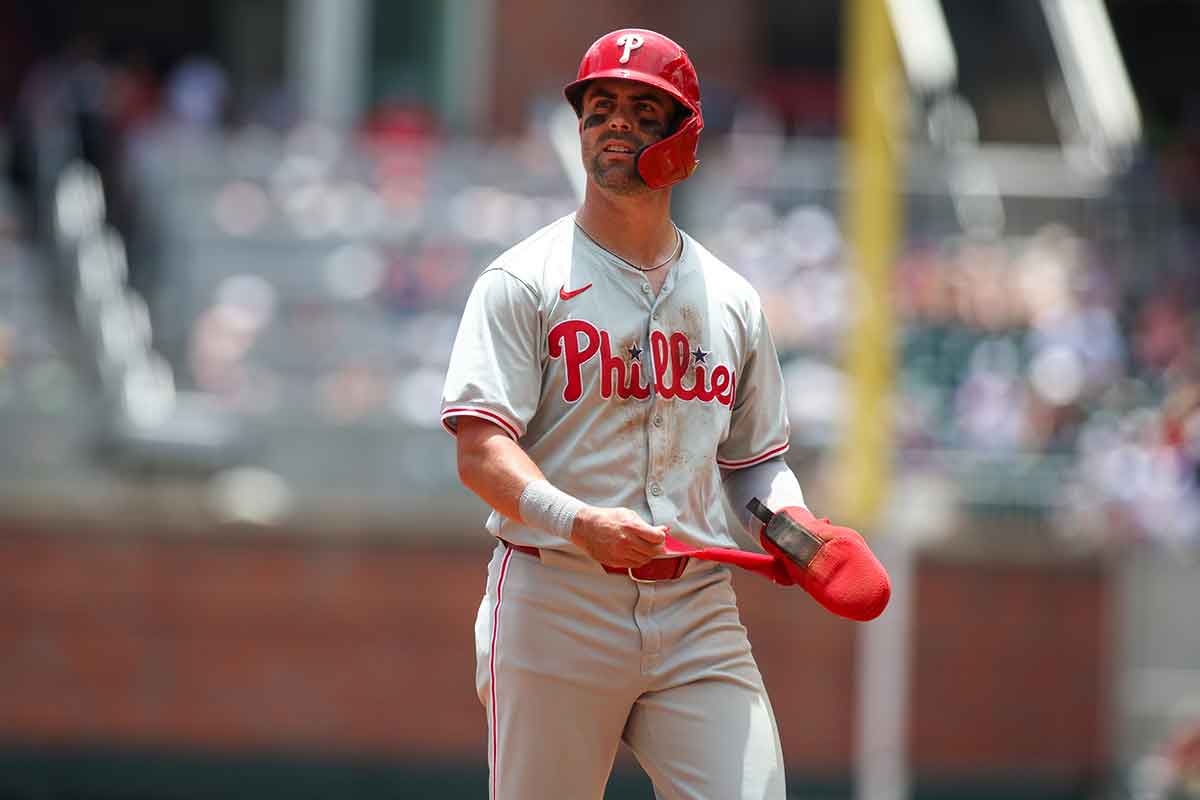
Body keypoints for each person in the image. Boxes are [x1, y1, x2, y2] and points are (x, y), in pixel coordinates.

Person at [441, 28, 889, 799]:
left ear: (684, 139)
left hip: (696, 608)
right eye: (599, 107)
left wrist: (790, 522)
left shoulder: (732, 301)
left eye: (644, 110)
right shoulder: (522, 280)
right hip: (558, 596)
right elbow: (481, 451)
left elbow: (753, 463)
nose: (615, 123)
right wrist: (582, 522)